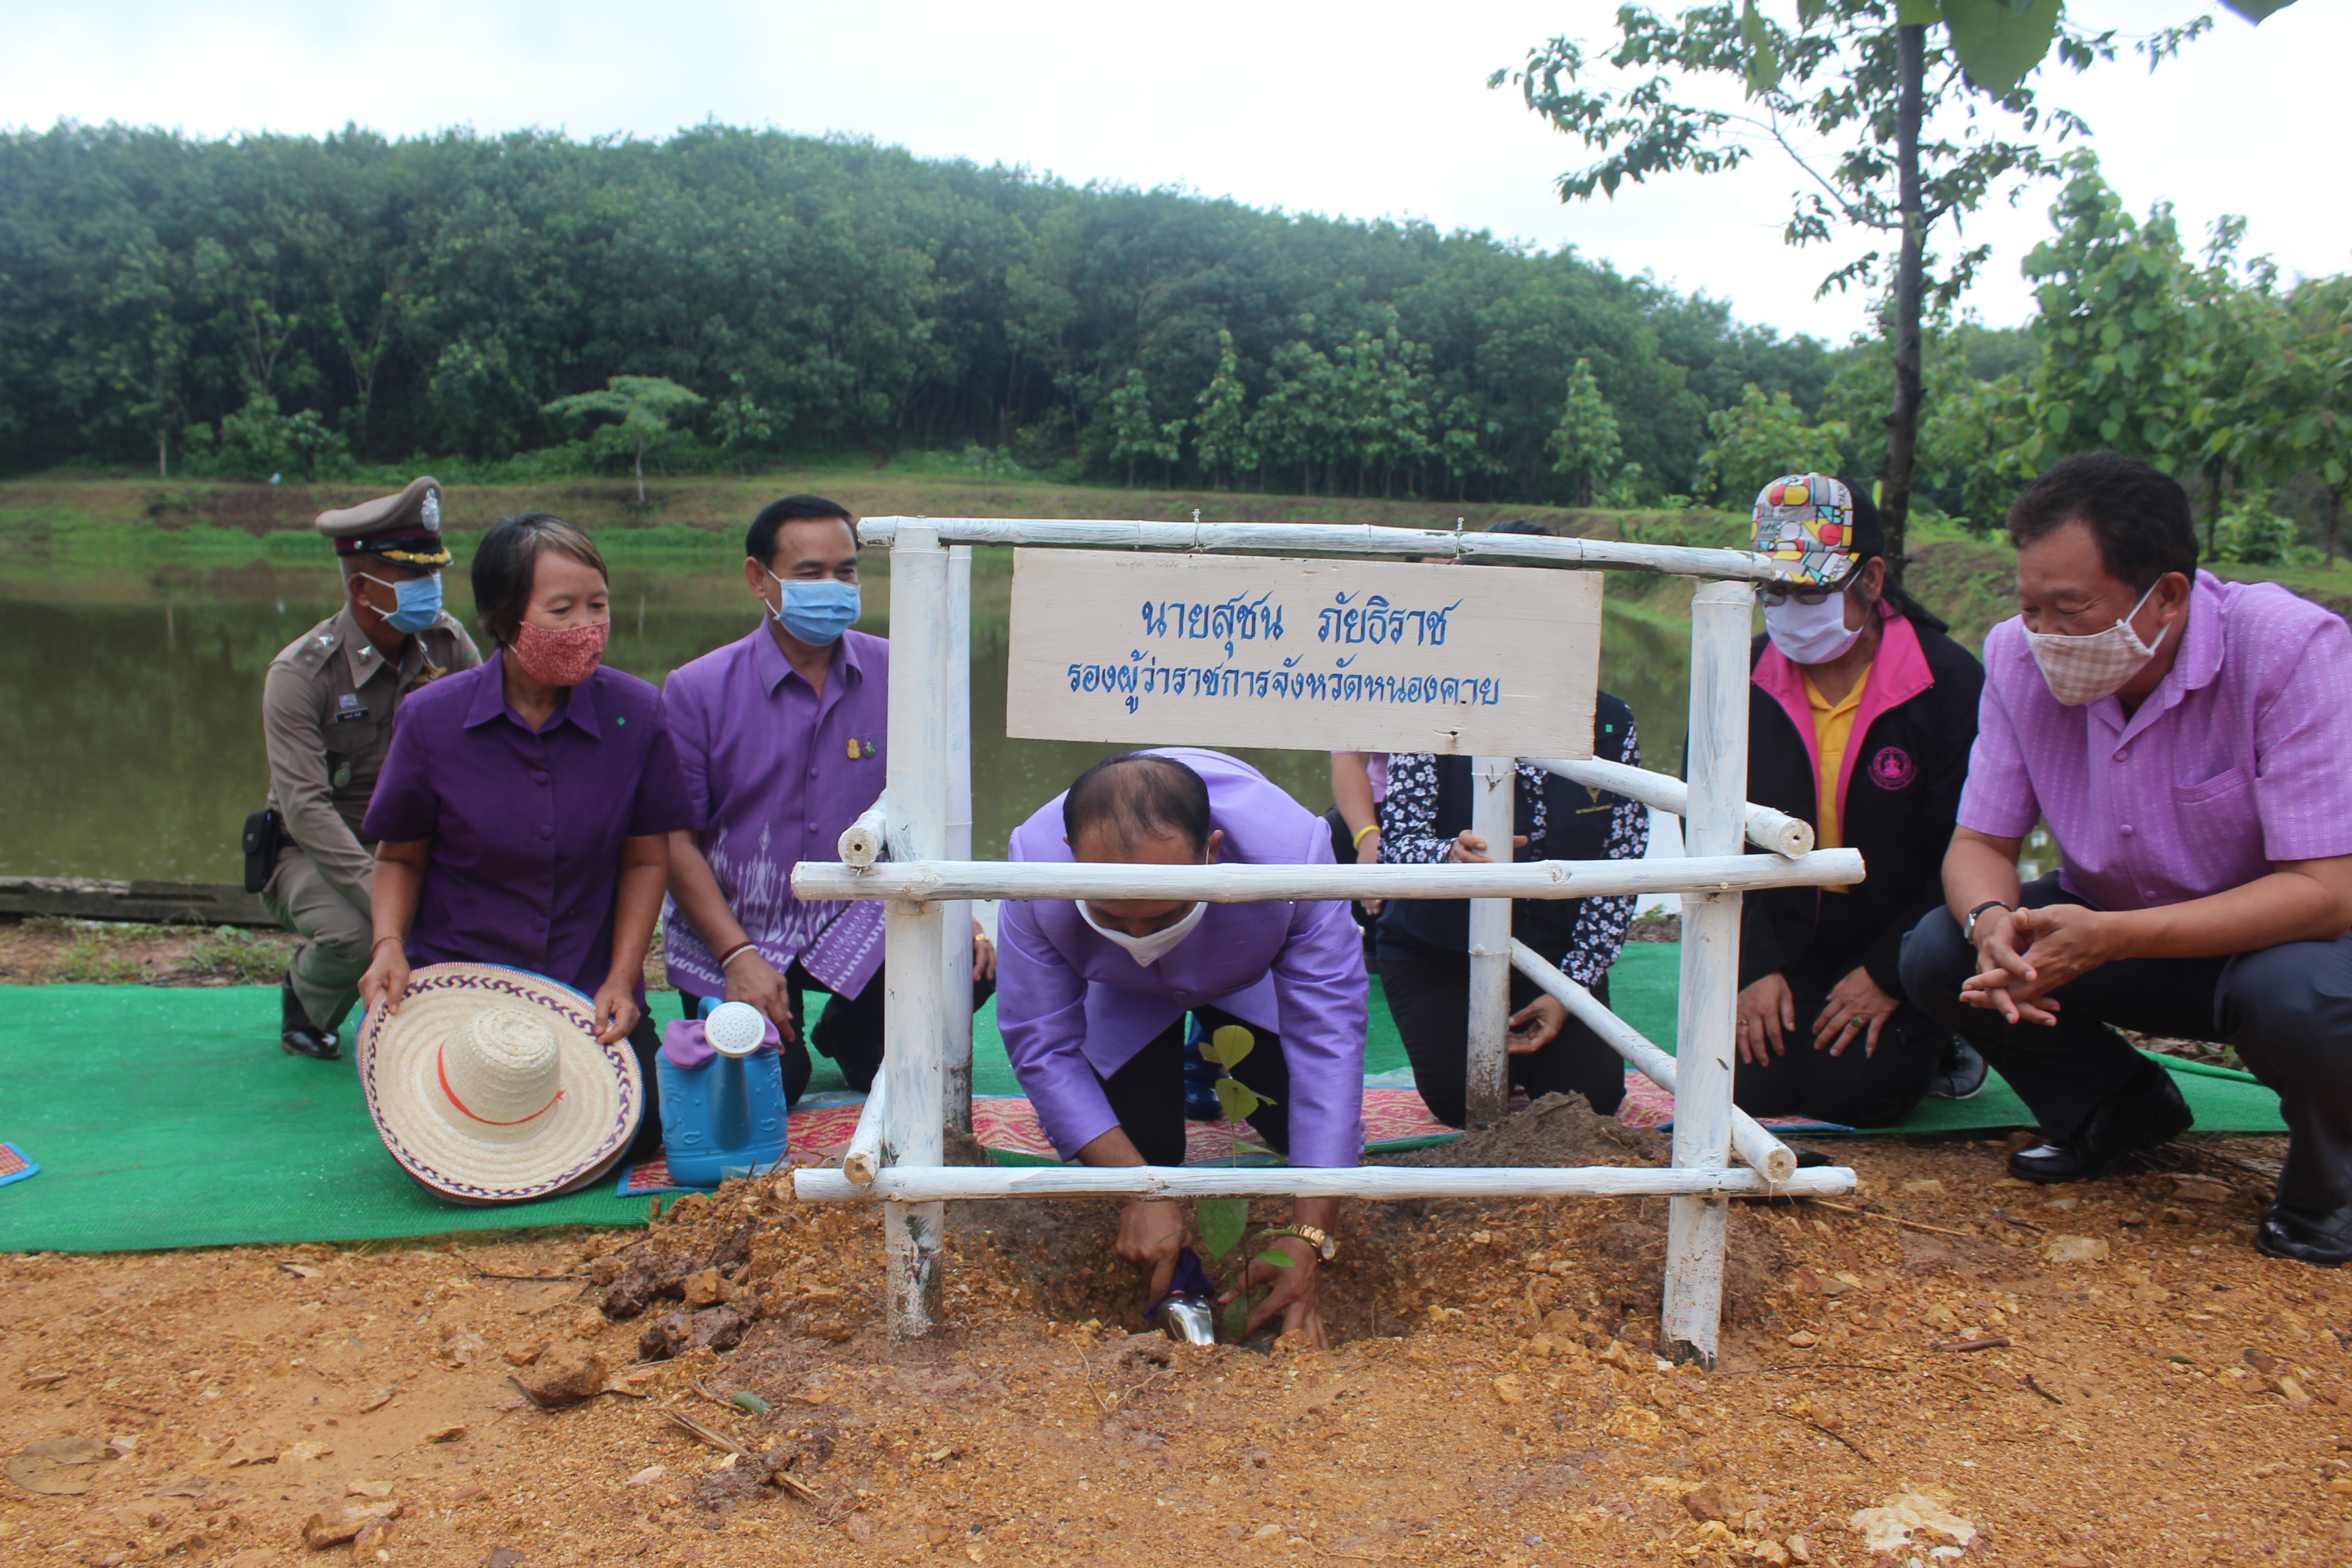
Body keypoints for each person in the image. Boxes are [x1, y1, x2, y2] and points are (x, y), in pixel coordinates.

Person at [1897, 451, 2352, 1265]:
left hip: (2277, 941)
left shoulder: (2291, 651)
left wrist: (2118, 937)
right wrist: (1991, 920)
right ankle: (2117, 1109)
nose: (2042, 633)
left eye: (2069, 608)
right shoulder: (2015, 657)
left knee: (2301, 996)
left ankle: (2332, 1186)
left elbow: (2327, 891)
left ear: (2168, 596)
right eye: (2029, 604)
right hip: (2112, 928)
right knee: (1940, 951)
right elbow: (1980, 843)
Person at [996, 750, 1368, 1347]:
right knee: (1149, 1146)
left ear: (1211, 852)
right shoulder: (1034, 865)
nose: (1140, 937)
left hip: (1243, 972)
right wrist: (1135, 1188)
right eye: (1114, 916)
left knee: (1308, 1136)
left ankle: (1207, 1048)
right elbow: (1039, 1039)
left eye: (1163, 914)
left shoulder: (1293, 852)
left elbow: (1330, 1035)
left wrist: (1310, 1234)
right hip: (1116, 995)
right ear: (1069, 855)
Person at [357, 512, 694, 1153]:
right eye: (562, 609)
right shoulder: (432, 719)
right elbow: (400, 857)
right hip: (456, 990)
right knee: (457, 1127)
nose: (585, 627)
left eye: (598, 605)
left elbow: (645, 860)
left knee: (645, 1128)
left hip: (583, 990)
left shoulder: (637, 714)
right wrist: (387, 945)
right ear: (504, 618)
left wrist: (623, 979)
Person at [659, 494, 995, 1105]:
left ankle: (850, 1029)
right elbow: (675, 842)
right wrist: (736, 955)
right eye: (810, 573)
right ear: (759, 578)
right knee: (772, 1087)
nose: (833, 586)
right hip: (740, 923)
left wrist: (956, 905)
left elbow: (934, 806)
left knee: (964, 967)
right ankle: (778, 1027)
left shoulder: (903, 672)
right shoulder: (696, 689)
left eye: (846, 571)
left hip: (857, 913)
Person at [1374, 519, 1646, 1126]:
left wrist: (1568, 990)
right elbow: (1399, 846)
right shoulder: (1430, 700)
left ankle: (1557, 1017)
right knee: (1465, 1100)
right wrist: (1450, 855)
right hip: (1437, 946)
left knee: (1589, 1099)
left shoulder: (1608, 723)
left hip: (1549, 952)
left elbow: (1621, 867)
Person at [1735, 474, 1986, 1128]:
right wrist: (1751, 968)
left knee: (1857, 1094)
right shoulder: (1736, 674)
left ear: (1871, 580)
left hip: (1897, 930)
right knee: (1750, 1088)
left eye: (1810, 591)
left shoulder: (1951, 684)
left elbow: (1970, 846)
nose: (1789, 609)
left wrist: (1888, 973)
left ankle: (1947, 1026)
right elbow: (1709, 827)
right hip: (1785, 928)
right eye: (1773, 590)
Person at [259, 476, 479, 1060]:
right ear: (363, 587)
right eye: (415, 577)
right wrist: (387, 904)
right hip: (315, 852)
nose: (433, 588)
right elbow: (306, 810)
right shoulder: (301, 674)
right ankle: (306, 1000)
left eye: (435, 572)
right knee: (361, 935)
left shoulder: (448, 645)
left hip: (412, 843)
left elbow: (488, 751)